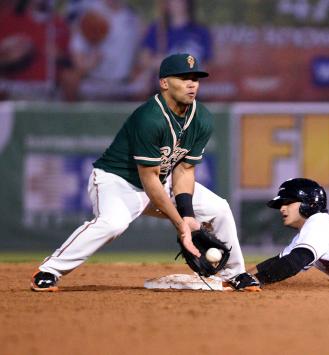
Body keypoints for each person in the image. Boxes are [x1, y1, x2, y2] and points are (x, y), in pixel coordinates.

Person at [31, 53, 259, 292]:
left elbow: (184, 169)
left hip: (161, 180)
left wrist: (188, 214)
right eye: (183, 78)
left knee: (219, 208)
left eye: (195, 78)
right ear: (164, 83)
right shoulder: (149, 117)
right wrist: (181, 224)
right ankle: (49, 269)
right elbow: (148, 179)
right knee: (113, 224)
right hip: (117, 180)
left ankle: (234, 274)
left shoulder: (202, 118)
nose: (192, 84)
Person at [66, 0, 145, 100]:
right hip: (94, 85)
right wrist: (89, 63)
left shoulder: (132, 18)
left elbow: (140, 56)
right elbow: (78, 59)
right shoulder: (90, 15)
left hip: (123, 87)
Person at [135, 0, 212, 99]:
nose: (175, 2)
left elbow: (207, 65)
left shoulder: (201, 32)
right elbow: (144, 59)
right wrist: (158, 63)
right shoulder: (157, 30)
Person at [0, 0, 76, 100]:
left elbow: (71, 63)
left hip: (49, 88)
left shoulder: (59, 24)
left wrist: (59, 55)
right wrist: (9, 54)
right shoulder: (8, 20)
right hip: (14, 86)